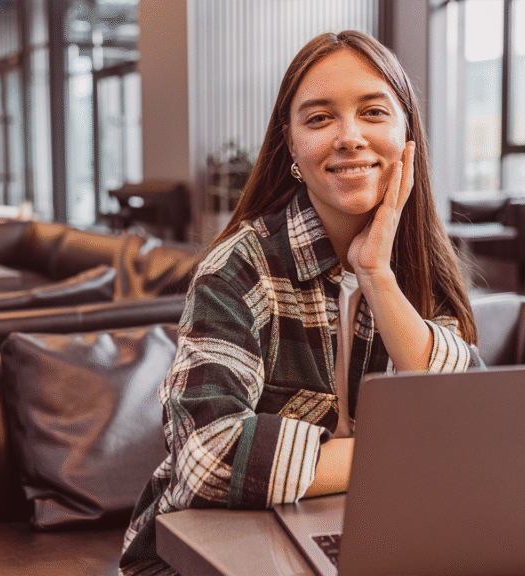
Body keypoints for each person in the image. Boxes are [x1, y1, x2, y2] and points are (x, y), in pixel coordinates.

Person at [120, 30, 483, 575]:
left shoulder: (419, 265)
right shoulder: (239, 269)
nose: (350, 137)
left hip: (367, 536)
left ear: (407, 134)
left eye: (374, 113)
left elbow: (473, 417)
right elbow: (207, 457)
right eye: (319, 119)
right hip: (207, 552)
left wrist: (377, 275)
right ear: (291, 147)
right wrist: (406, 454)